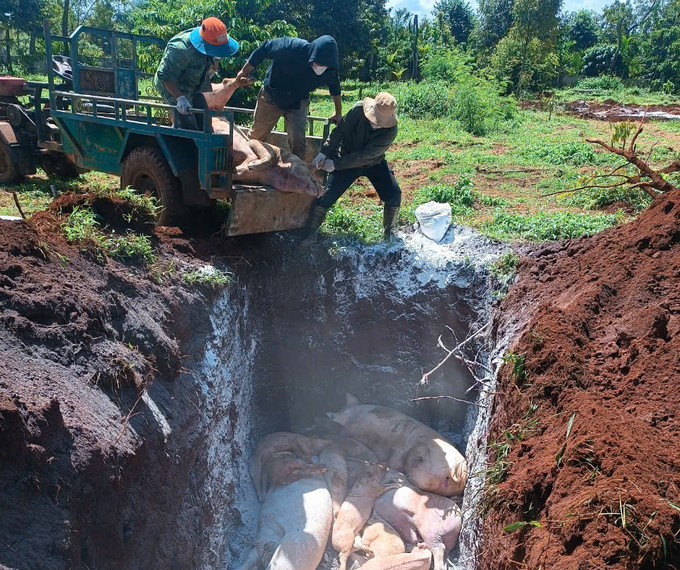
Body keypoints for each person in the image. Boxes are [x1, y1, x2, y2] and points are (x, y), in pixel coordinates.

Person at [302, 92, 401, 246]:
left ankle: (389, 236)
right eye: (376, 119)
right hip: (346, 157)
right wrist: (324, 152)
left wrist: (336, 164)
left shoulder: (391, 131)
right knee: (325, 195)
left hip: (372, 163)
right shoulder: (357, 110)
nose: (377, 123)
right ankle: (310, 234)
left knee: (394, 194)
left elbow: (366, 156)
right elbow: (340, 131)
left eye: (382, 122)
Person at [236, 36, 343, 159]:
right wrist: (244, 71)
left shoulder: (330, 71)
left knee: (298, 141)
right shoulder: (291, 47)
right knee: (257, 136)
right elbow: (265, 48)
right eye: (318, 62)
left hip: (298, 100)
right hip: (272, 94)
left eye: (324, 65)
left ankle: (295, 171)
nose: (320, 66)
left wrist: (338, 112)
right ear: (312, 53)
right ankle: (247, 165)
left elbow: (335, 89)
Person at [154, 17, 240, 131]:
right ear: (205, 43)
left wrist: (213, 65)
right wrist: (180, 98)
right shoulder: (181, 49)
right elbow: (166, 76)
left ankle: (206, 142)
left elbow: (211, 64)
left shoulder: (212, 41)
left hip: (193, 85)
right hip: (171, 85)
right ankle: (188, 145)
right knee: (188, 125)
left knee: (205, 121)